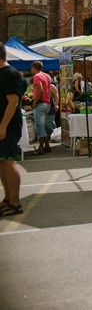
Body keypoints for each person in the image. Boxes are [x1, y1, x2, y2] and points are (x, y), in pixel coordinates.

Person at [0, 43, 24, 217]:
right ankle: (8, 199)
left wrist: (3, 126)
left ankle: (15, 202)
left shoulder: (9, 74)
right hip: (3, 124)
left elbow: (13, 102)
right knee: (2, 163)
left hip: (7, 125)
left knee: (8, 162)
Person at [29, 61, 52, 155]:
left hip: (40, 103)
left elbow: (40, 90)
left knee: (39, 126)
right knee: (42, 126)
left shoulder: (37, 76)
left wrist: (34, 103)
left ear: (34, 67)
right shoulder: (47, 76)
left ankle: (40, 148)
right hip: (47, 103)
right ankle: (47, 146)